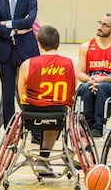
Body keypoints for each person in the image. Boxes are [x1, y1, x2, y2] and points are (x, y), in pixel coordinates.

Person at [18, 25, 76, 175]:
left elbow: (21, 93)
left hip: (31, 112)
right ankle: (43, 159)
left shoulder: (28, 64)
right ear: (58, 43)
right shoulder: (68, 64)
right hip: (57, 113)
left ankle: (40, 159)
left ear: (39, 44)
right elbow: (72, 93)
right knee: (56, 112)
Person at [0, 0, 40, 134]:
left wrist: (7, 24)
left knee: (30, 90)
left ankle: (34, 128)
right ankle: (9, 130)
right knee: (8, 91)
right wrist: (15, 30)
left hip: (26, 50)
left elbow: (30, 21)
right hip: (5, 51)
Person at [77, 13, 111, 138]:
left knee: (101, 87)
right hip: (90, 82)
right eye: (99, 23)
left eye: (105, 25)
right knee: (85, 87)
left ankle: (98, 126)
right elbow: (80, 73)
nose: (100, 27)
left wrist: (104, 79)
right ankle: (87, 124)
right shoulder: (85, 46)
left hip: (110, 84)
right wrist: (89, 79)